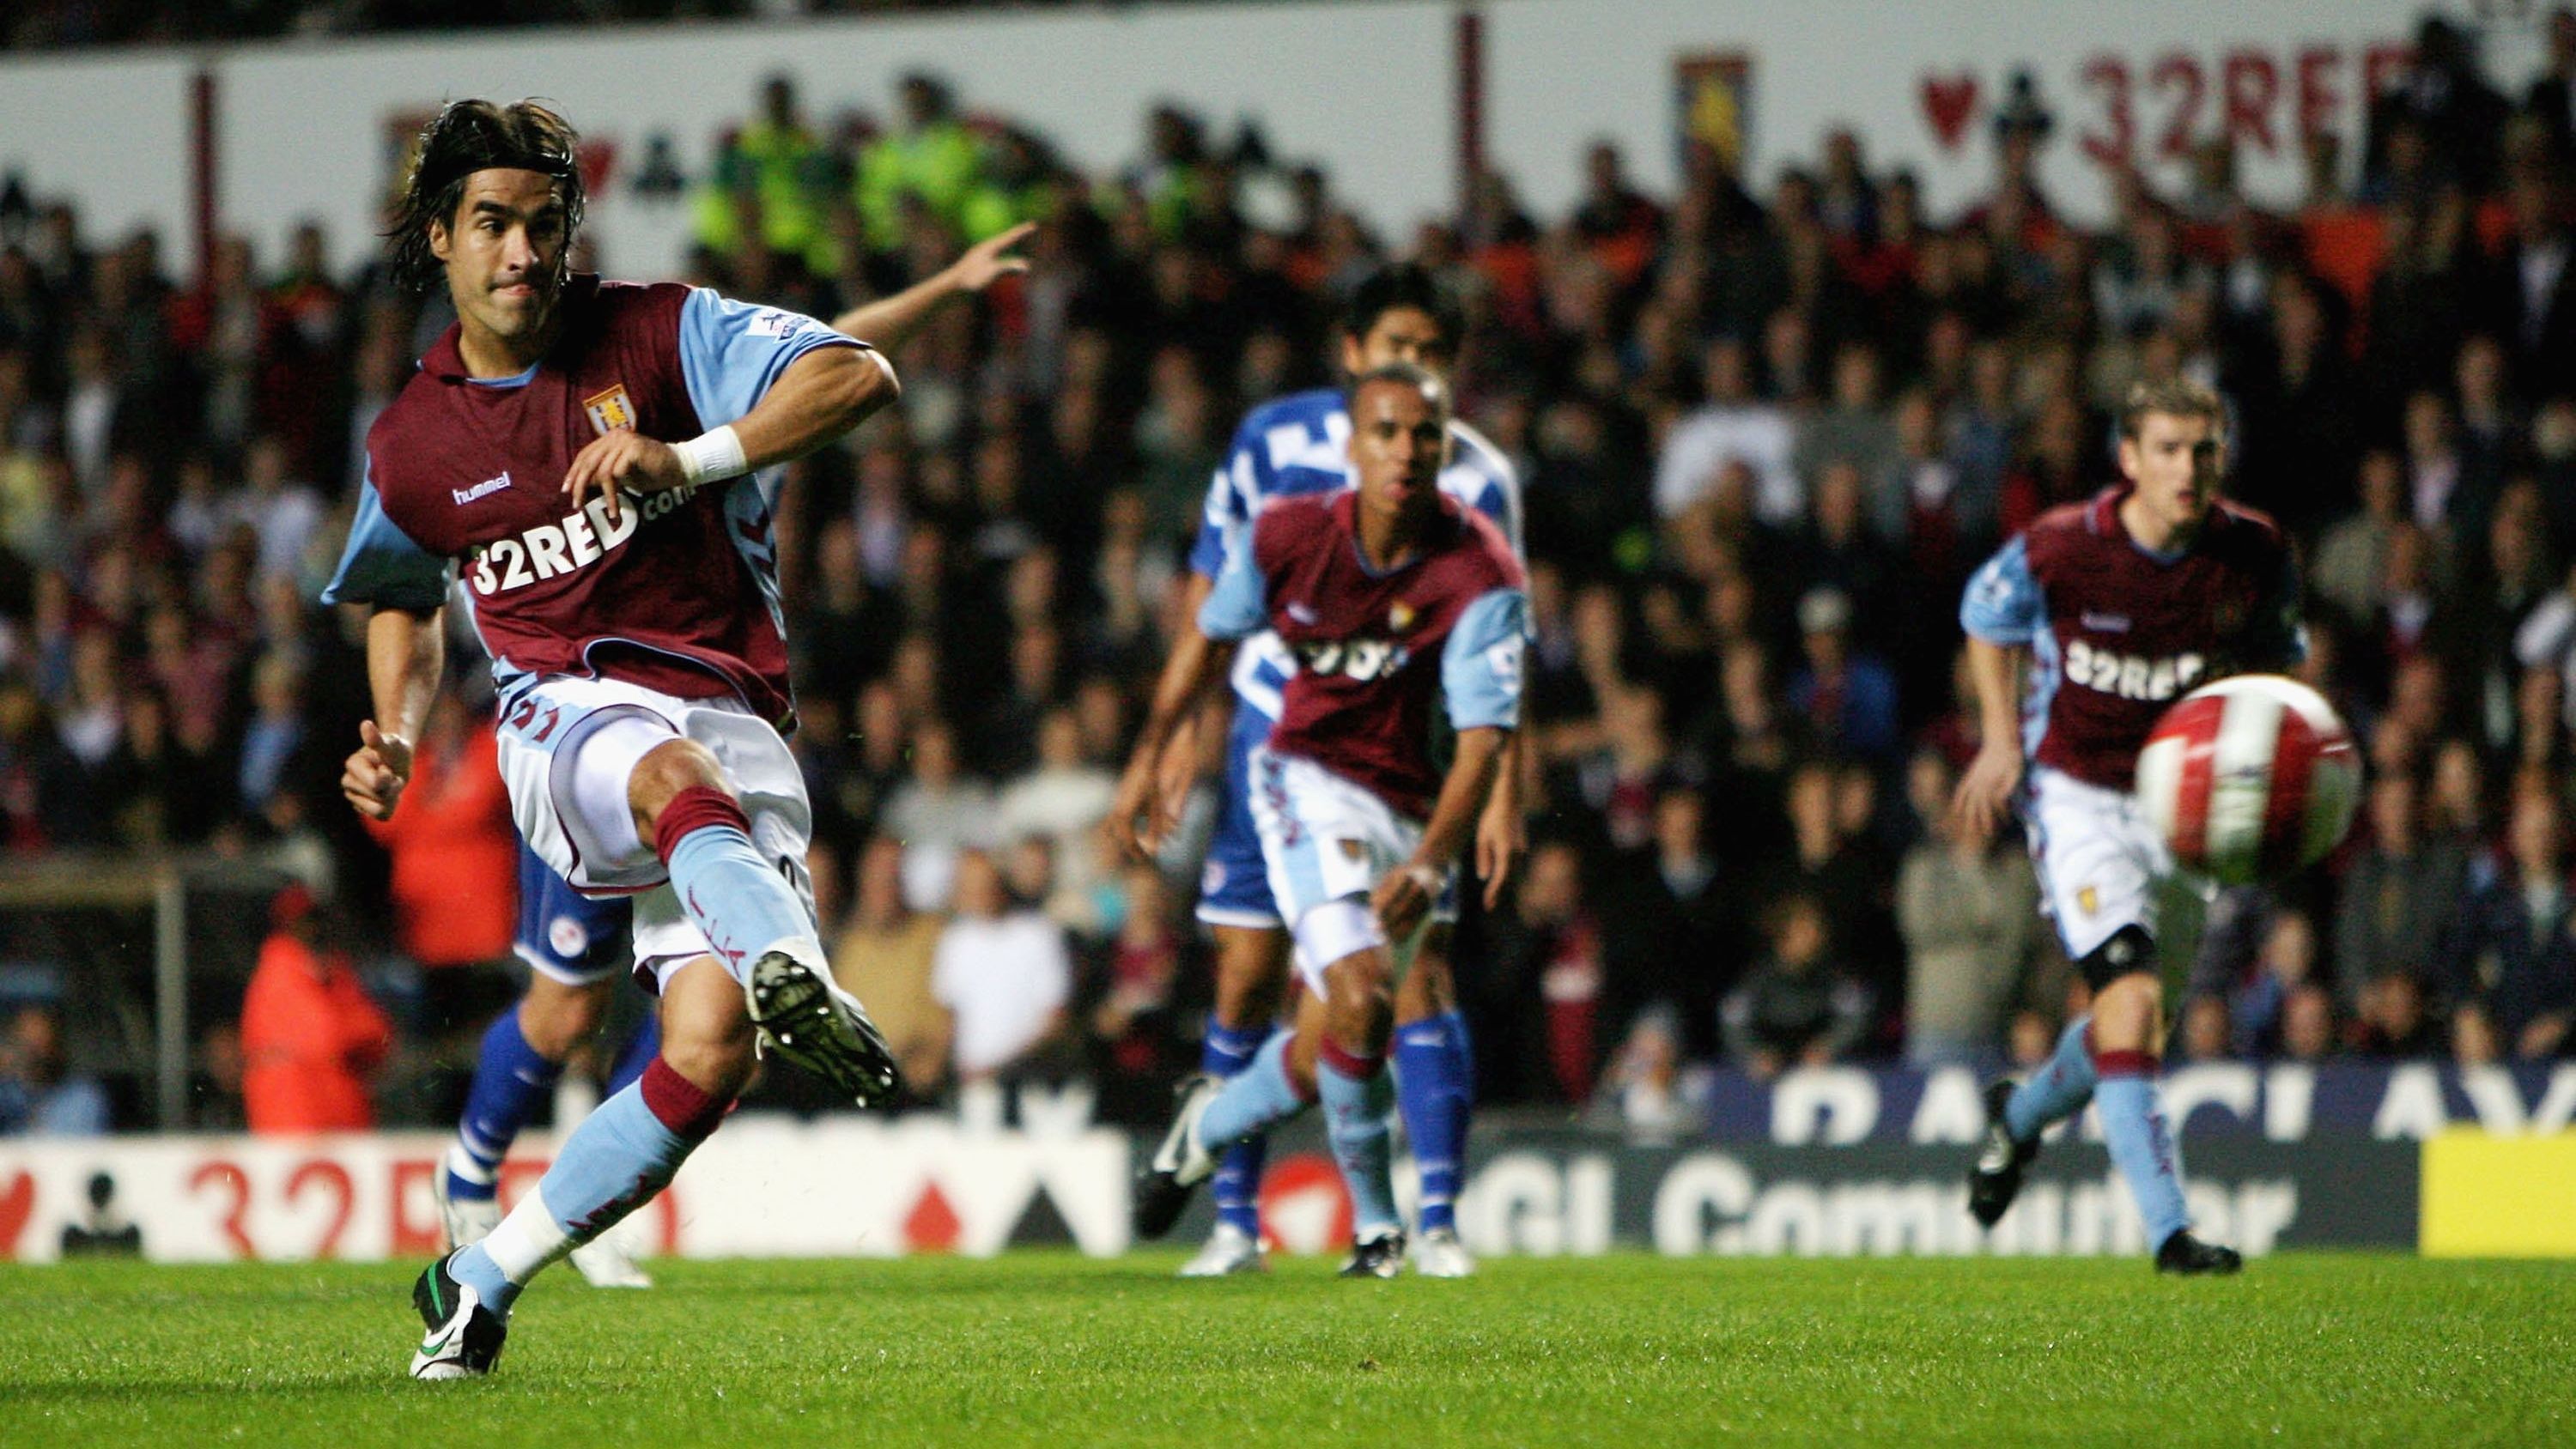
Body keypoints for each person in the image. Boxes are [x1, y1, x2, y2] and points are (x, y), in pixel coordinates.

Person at [322, 100, 907, 1379]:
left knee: (707, 1049)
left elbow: (859, 373)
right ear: (442, 239)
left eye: (544, 224)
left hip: (731, 707)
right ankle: (790, 960)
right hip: (564, 714)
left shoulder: (660, 331)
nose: (522, 252)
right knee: (660, 778)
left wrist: (690, 456)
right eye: (492, 225)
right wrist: (404, 733)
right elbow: (400, 599)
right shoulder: (413, 444)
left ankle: (474, 1280)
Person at [420, 207, 1030, 1294]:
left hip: (706, 726)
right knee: (565, 1003)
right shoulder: (560, 431)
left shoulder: (740, 418)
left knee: (703, 1016)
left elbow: (847, 346)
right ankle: (468, 1177)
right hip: (590, 736)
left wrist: (944, 291)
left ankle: (553, 1215)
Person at [1110, 264, 1523, 1279]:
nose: (1412, 383)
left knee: (1355, 1009)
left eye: (1432, 361)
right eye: (1396, 354)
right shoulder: (1277, 464)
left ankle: (1400, 1206)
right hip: (1283, 749)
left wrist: (1492, 801)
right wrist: (1163, 747)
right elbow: (1212, 610)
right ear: (1353, 363)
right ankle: (1309, 1226)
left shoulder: (1483, 499)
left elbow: (1499, 680)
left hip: (1417, 767)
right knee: (1280, 976)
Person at [1954, 378, 2303, 1275]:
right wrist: (1999, 741)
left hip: (2185, 817)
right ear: (2129, 458)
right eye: (2169, 449)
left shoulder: (2255, 553)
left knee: (2131, 1027)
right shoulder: (2067, 547)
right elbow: (1983, 616)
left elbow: (2277, 672)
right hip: (2077, 795)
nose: (2188, 469)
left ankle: (2018, 1117)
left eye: (2204, 450)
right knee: (2133, 1004)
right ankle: (2170, 1234)